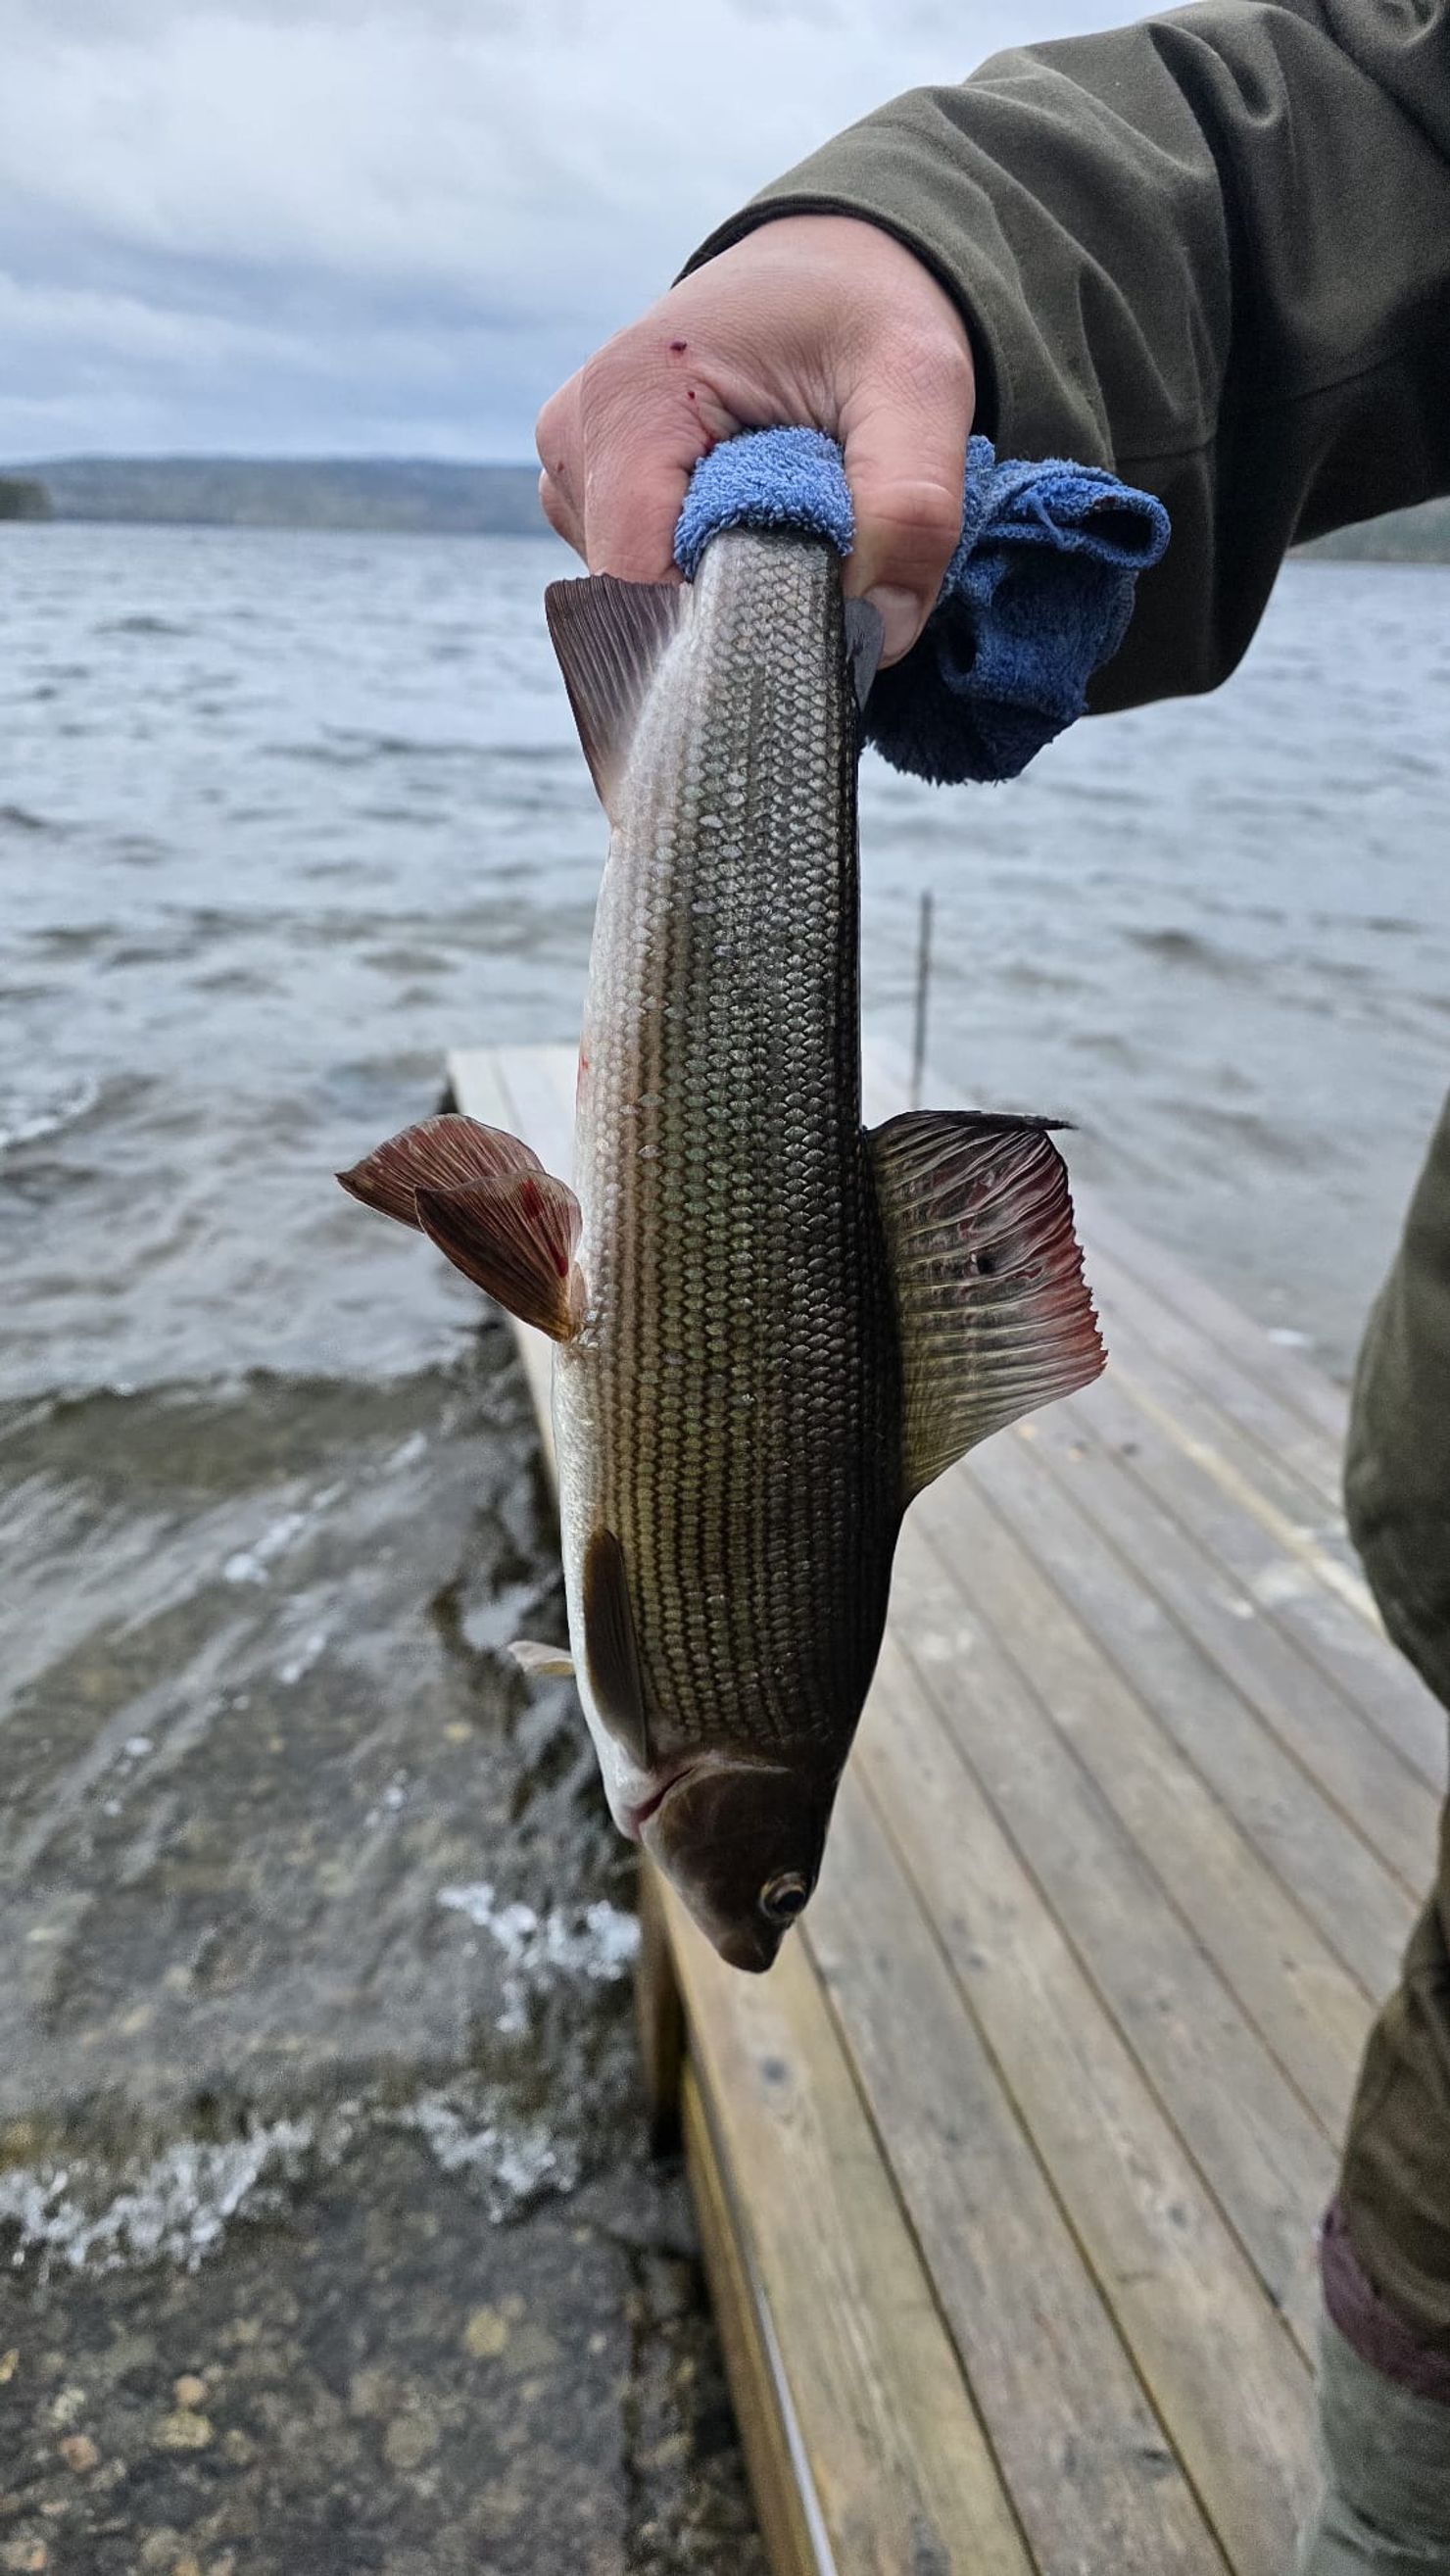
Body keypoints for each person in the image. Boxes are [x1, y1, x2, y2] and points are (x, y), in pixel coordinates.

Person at [536, 7, 1450, 2567]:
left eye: (775, 1883)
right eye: (768, 1881)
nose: (745, 1911)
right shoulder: (686, 1697)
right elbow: (1384, 118)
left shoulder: (686, 1700)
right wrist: (933, 266)